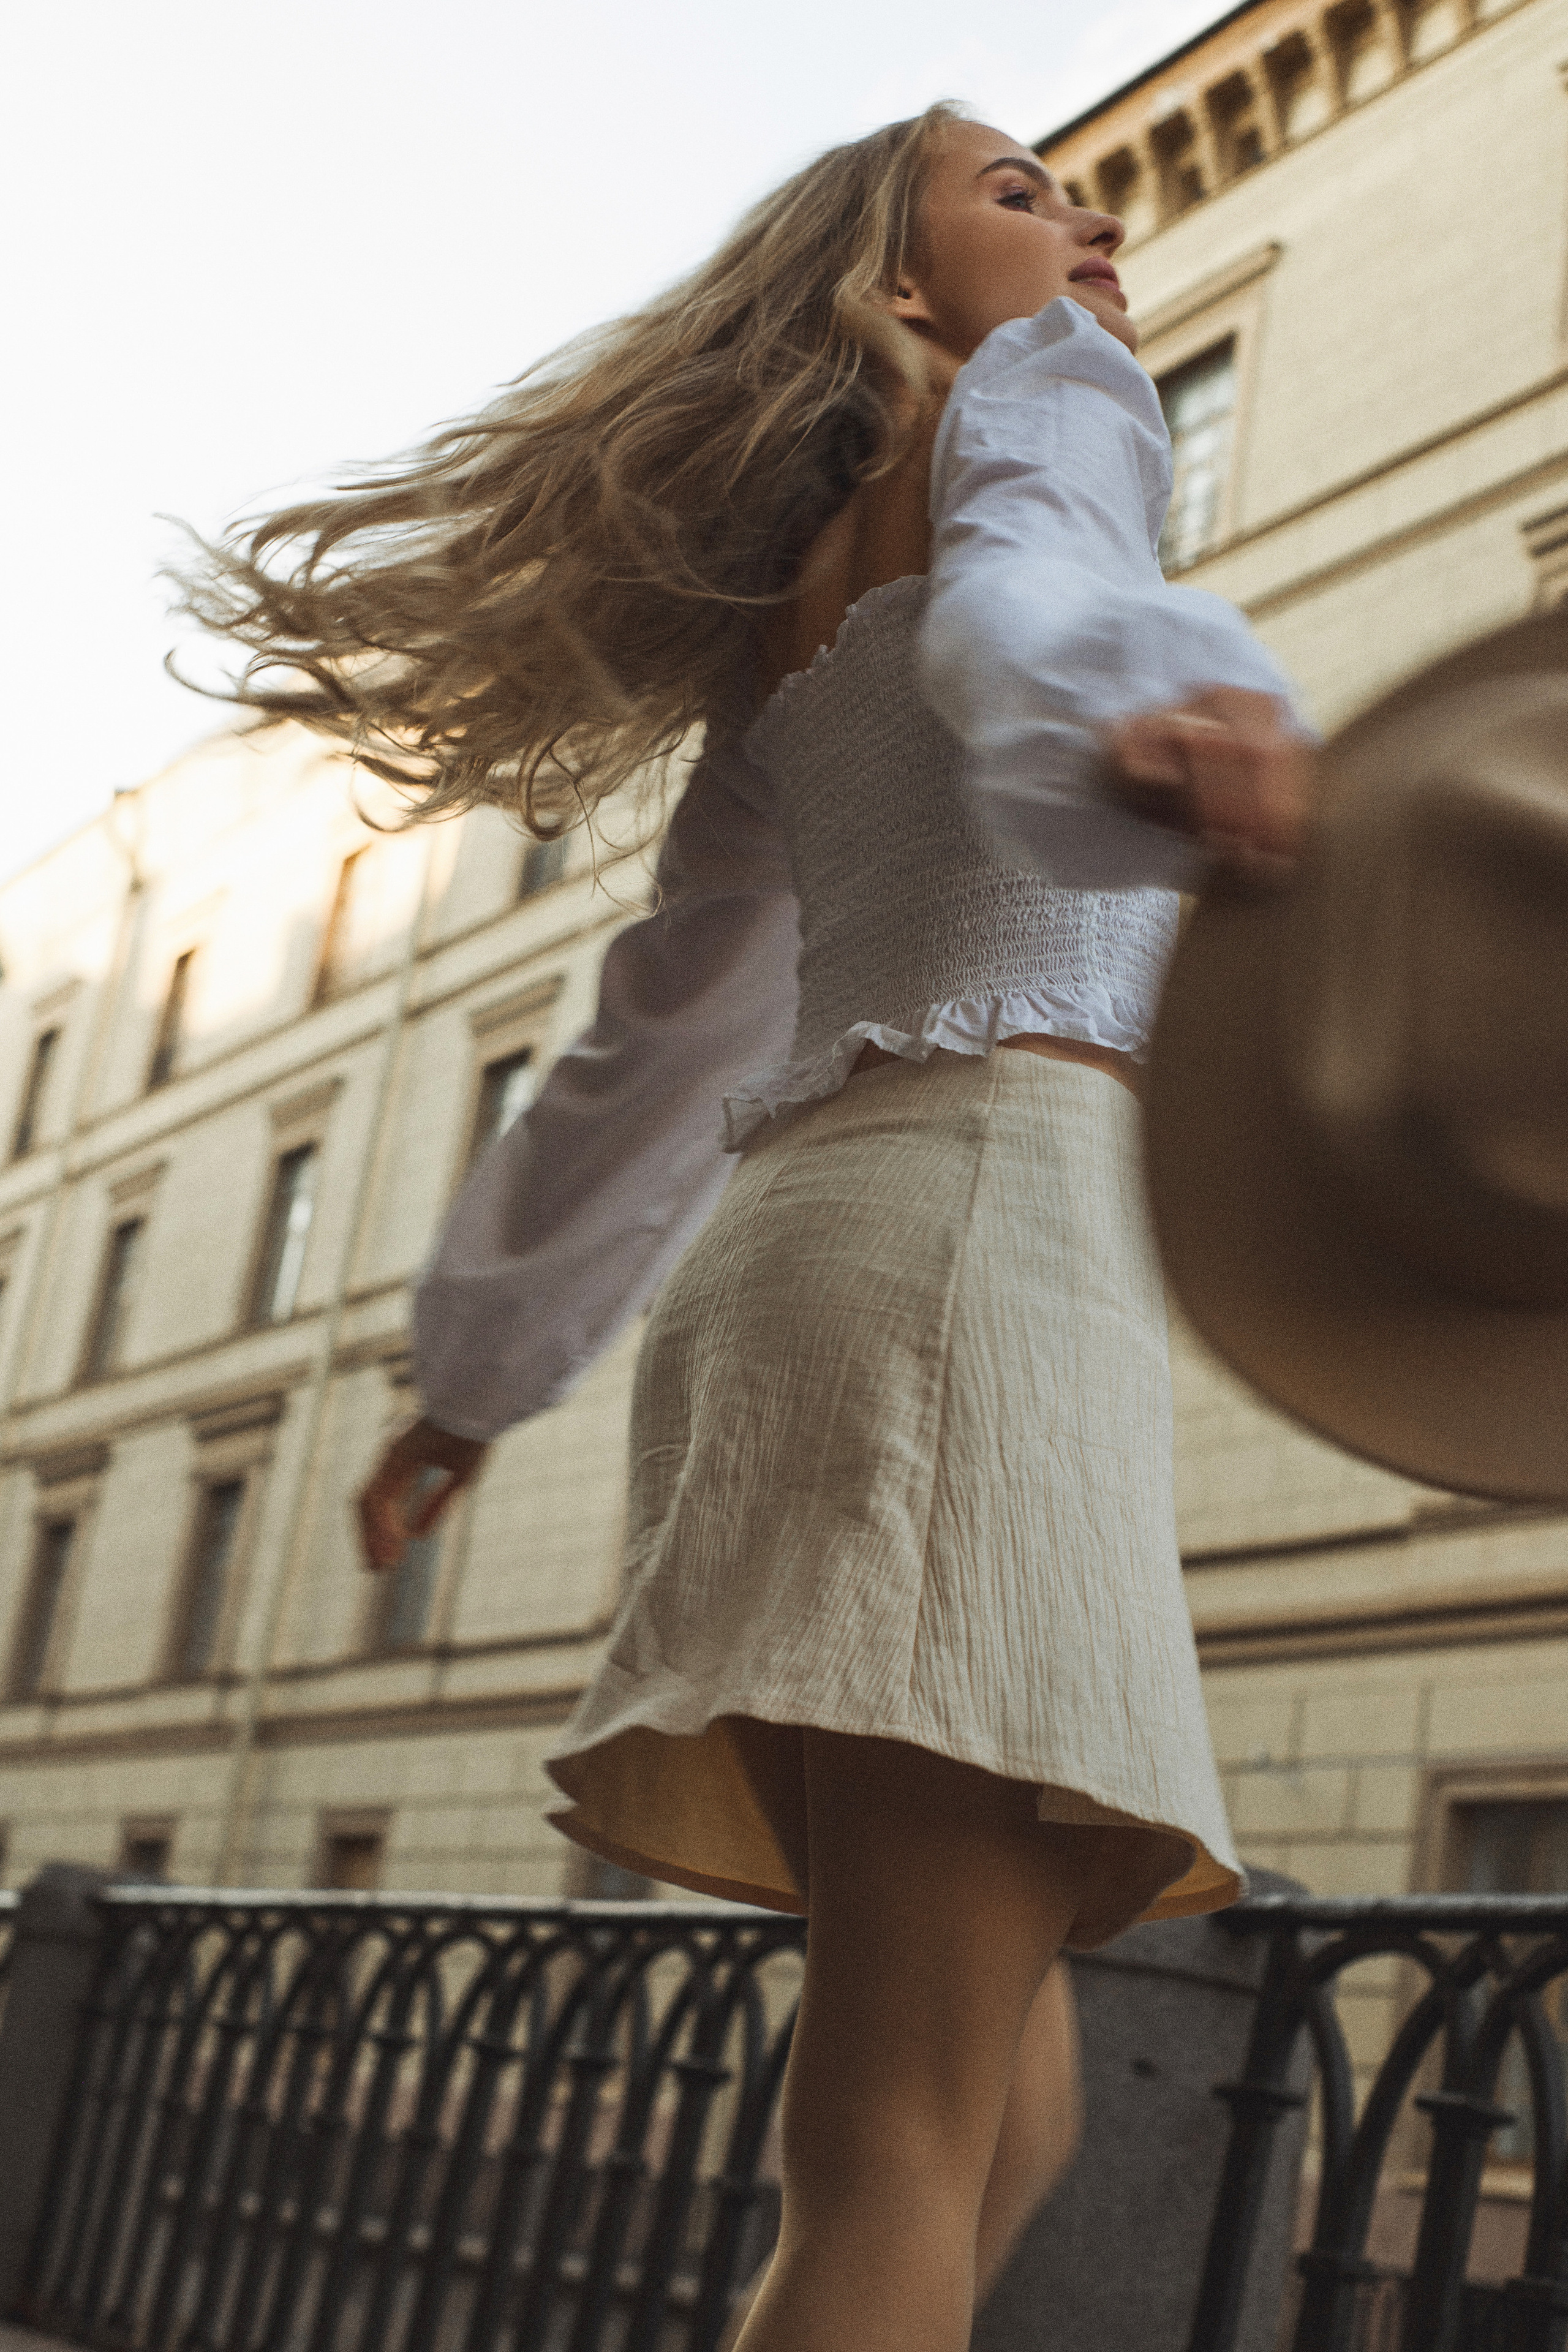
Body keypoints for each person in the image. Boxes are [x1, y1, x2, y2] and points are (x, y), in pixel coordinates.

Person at [189, 104, 1312, 2352]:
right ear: (900, 292)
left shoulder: (788, 649)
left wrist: (472, 1384)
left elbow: (649, 1054)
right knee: (901, 2143)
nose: (1091, 221)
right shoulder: (1050, 403)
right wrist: (1154, 725)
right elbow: (1037, 615)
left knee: (1007, 2123)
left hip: (805, 1278)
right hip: (978, 1262)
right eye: (1019, 195)